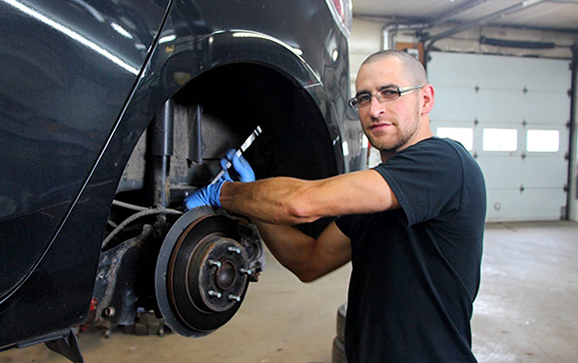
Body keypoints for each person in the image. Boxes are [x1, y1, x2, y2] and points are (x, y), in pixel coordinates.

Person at [185, 50, 486, 363]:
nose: (375, 109)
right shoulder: (374, 196)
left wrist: (225, 193)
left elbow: (301, 203)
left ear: (425, 99)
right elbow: (309, 261)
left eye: (390, 93)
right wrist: (253, 206)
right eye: (364, 98)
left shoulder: (445, 163)